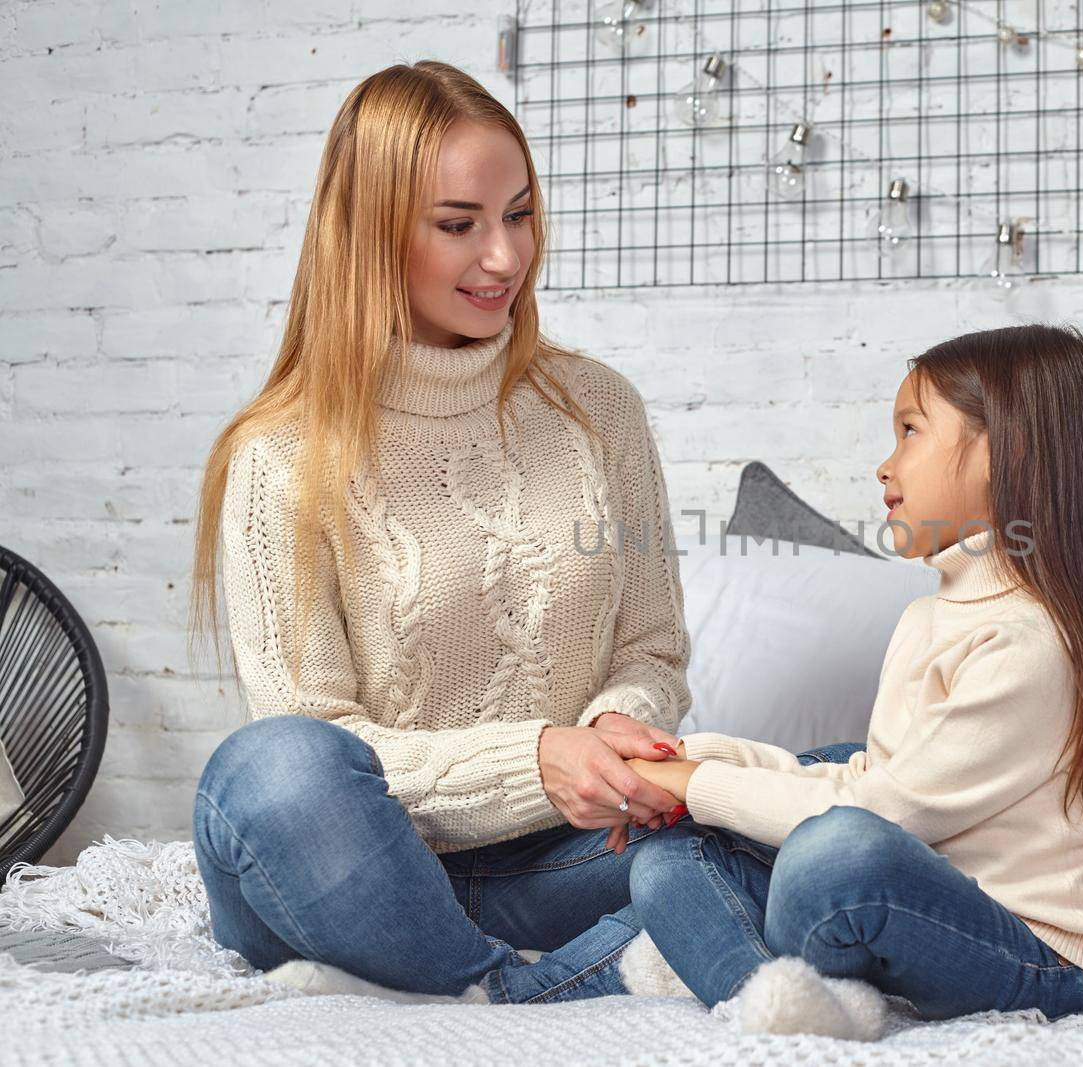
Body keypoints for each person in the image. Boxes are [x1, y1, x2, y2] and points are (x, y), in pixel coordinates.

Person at [186, 60, 695, 1004]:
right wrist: (533, 758)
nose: (505, 257)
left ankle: (500, 985)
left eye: (521, 213)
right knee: (268, 769)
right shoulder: (280, 456)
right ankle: (519, 983)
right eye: (460, 225)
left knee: (822, 788)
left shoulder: (599, 411)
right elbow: (317, 738)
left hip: (558, 865)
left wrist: (616, 728)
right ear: (372, 237)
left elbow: (653, 645)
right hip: (352, 874)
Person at [618, 324, 1083, 1038]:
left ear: (1003, 453)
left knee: (833, 855)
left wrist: (696, 782)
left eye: (909, 432)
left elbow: (883, 812)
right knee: (668, 858)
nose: (885, 464)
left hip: (1043, 958)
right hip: (933, 896)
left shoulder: (1031, 640)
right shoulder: (933, 613)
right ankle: (775, 1005)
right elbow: (874, 775)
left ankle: (763, 979)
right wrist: (686, 765)